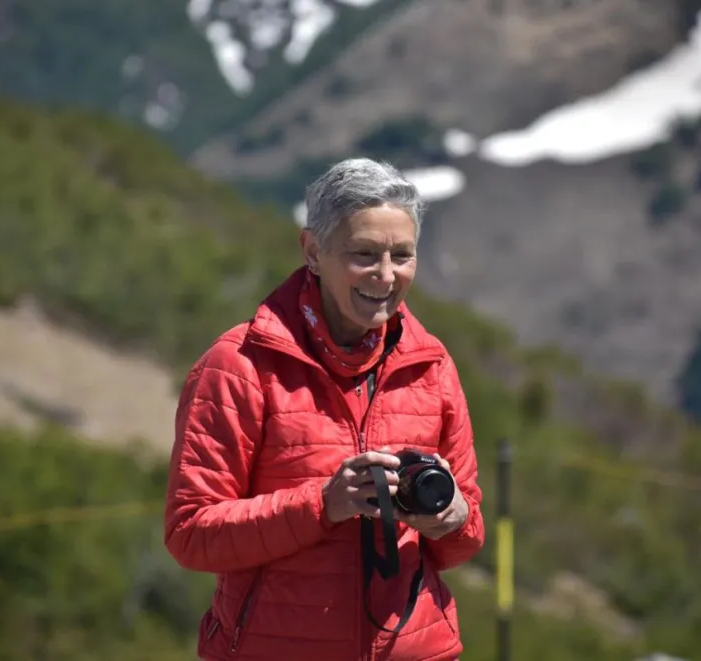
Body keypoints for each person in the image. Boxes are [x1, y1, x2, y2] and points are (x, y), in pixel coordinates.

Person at [164, 157, 485, 660]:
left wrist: (451, 516)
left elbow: (463, 542)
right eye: (364, 254)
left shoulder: (433, 366)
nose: (385, 276)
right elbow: (190, 534)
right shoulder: (238, 366)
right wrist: (323, 504)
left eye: (402, 255)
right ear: (313, 251)